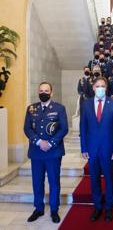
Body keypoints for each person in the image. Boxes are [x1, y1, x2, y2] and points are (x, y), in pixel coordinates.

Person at [24, 82, 68, 223]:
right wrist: (38, 142)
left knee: (54, 181)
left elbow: (63, 129)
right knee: (37, 181)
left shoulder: (59, 108)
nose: (44, 93)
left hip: (53, 151)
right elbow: (27, 128)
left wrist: (50, 143)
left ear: (51, 93)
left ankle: (54, 210)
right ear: (38, 92)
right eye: (41, 90)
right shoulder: (31, 109)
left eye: (46, 90)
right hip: (36, 152)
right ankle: (38, 208)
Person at [80, 76, 113, 222]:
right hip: (91, 150)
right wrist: (83, 147)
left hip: (108, 149)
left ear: (106, 87)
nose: (100, 88)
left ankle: (109, 207)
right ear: (93, 88)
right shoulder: (85, 104)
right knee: (94, 180)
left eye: (103, 86)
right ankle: (97, 206)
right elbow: (83, 127)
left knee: (109, 179)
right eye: (97, 86)